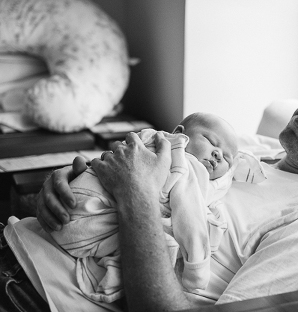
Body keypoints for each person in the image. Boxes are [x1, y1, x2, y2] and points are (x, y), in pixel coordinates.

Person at [2, 28, 298, 312]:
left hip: (32, 295)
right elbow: (136, 166)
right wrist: (67, 185)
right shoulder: (248, 151)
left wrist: (133, 193)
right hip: (20, 240)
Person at [46, 112, 265, 302]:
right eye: (210, 140)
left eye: (226, 157)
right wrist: (196, 267)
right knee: (168, 240)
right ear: (180, 133)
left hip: (61, 234)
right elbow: (190, 216)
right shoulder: (185, 162)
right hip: (72, 220)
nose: (218, 154)